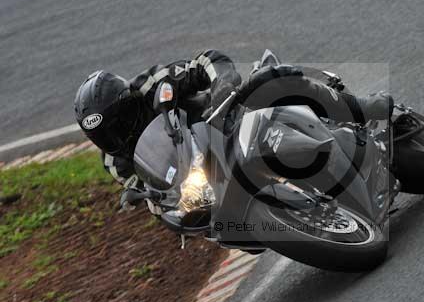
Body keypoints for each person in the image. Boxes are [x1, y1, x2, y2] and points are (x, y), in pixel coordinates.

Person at [73, 49, 393, 210]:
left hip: (230, 118)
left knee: (271, 80)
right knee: (218, 224)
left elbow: (206, 61)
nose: (115, 139)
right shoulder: (115, 162)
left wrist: (221, 84)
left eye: (117, 126)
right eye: (103, 137)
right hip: (212, 173)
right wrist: (160, 201)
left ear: (128, 103)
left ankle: (361, 107)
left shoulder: (153, 84)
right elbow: (153, 196)